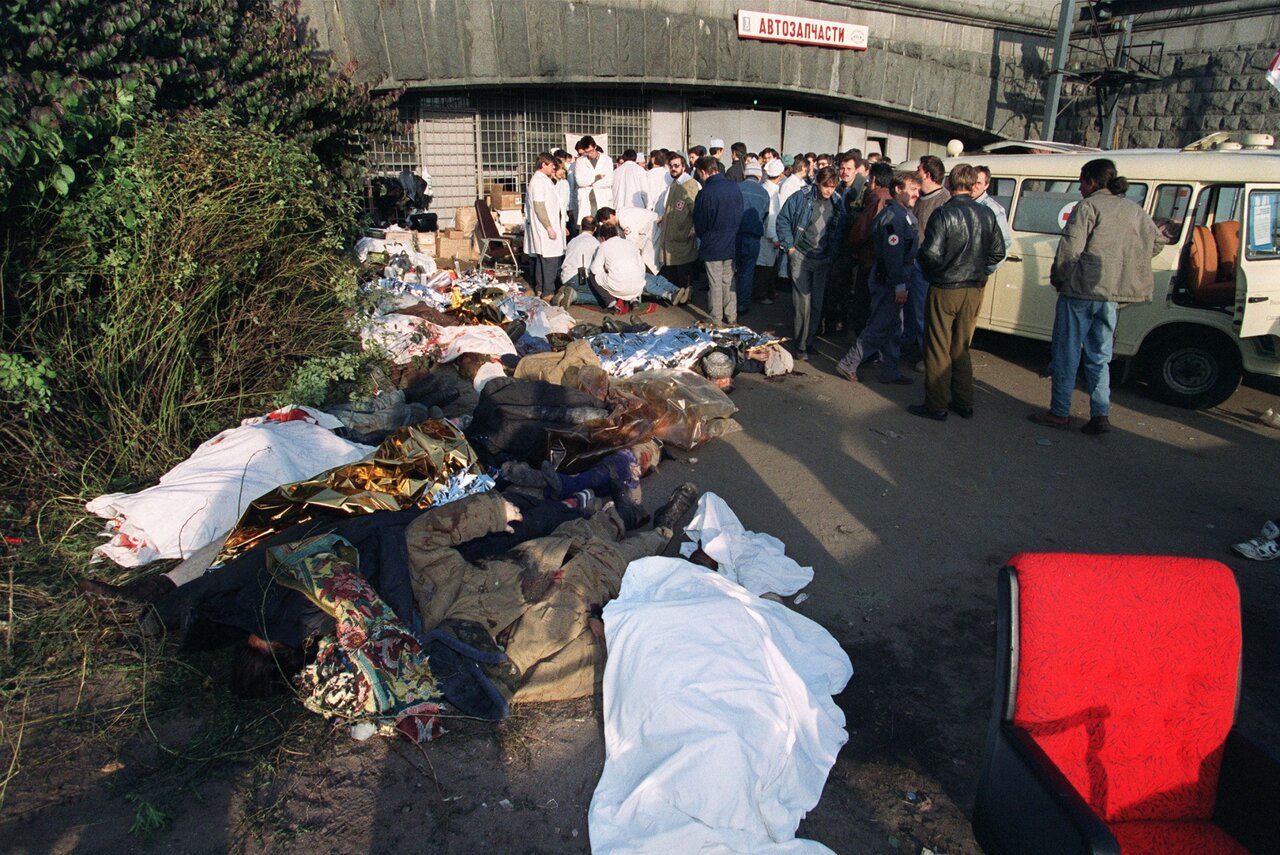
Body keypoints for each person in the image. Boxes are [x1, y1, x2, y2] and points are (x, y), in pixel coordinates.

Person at [1029, 158, 1163, 434]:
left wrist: (1059, 279)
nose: (1079, 187)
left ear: (1091, 181)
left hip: (1080, 291)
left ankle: (1060, 412)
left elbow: (1070, 249)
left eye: (1081, 181)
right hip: (1110, 295)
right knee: (1099, 356)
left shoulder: (1088, 206)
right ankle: (1100, 413)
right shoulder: (1133, 209)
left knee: (1067, 353)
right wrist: (1125, 261)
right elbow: (1158, 241)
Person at [907, 164, 1005, 421]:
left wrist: (936, 273)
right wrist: (977, 269)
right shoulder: (987, 213)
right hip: (973, 287)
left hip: (946, 287)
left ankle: (936, 404)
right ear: (973, 184)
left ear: (950, 183)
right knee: (960, 346)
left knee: (938, 346)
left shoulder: (944, 213)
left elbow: (929, 253)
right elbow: (998, 252)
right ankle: (964, 401)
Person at [836, 170, 921, 385]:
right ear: (898, 189)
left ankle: (889, 370)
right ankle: (849, 363)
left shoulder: (903, 215)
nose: (916, 194)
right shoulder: (894, 217)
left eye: (918, 190)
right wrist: (899, 285)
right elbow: (893, 256)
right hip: (890, 280)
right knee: (880, 325)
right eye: (912, 190)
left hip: (897, 277)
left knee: (894, 327)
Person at [776, 166, 844, 359]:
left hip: (823, 259)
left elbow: (839, 231)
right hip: (801, 256)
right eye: (825, 186)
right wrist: (790, 248)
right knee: (802, 304)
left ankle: (809, 340)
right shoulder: (802, 197)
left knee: (816, 303)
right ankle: (801, 345)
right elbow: (783, 220)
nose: (829, 190)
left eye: (832, 186)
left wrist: (832, 255)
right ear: (818, 183)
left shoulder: (838, 202)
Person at [902, 155, 951, 361]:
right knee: (909, 311)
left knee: (923, 313)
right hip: (911, 262)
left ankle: (925, 355)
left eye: (919, 170)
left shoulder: (944, 201)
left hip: (926, 266)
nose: (917, 173)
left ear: (928, 175)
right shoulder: (917, 197)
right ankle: (907, 347)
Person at [595, 206, 688, 306]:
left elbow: (632, 241)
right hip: (651, 232)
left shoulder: (624, 220)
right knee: (648, 273)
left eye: (605, 221)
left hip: (653, 232)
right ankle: (676, 290)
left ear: (611, 215)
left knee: (648, 272)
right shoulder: (623, 213)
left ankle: (669, 293)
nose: (606, 224)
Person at [691, 155, 743, 326]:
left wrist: (704, 235)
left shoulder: (705, 193)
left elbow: (700, 223)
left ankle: (716, 318)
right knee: (729, 280)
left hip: (712, 243)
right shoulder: (734, 187)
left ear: (703, 172)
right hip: (731, 241)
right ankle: (731, 315)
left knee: (715, 283)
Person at [524, 153, 566, 300]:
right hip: (545, 228)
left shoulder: (544, 180)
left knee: (544, 260)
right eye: (551, 165)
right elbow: (539, 206)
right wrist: (548, 227)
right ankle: (548, 292)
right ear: (543, 165)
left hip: (549, 226)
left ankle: (541, 289)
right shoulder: (538, 181)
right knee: (550, 261)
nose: (553, 168)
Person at [659, 154, 700, 292]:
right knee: (673, 270)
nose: (673, 169)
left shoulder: (690, 184)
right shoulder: (675, 183)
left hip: (683, 235)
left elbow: (696, 210)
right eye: (671, 166)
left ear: (684, 166)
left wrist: (694, 227)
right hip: (672, 235)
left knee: (684, 270)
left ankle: (686, 297)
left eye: (676, 166)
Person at [735, 162, 770, 315]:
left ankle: (730, 302)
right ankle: (743, 304)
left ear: (744, 175)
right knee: (748, 270)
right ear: (759, 176)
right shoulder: (764, 193)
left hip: (735, 235)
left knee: (731, 269)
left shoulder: (736, 188)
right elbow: (764, 216)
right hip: (753, 237)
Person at [754, 158, 786, 306]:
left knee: (762, 265)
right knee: (765, 267)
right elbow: (772, 217)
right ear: (780, 175)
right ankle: (761, 294)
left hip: (759, 233)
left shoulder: (762, 187)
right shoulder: (772, 193)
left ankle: (765, 292)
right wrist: (774, 238)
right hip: (767, 236)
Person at [972, 166, 1012, 271]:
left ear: (986, 185)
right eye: (972, 182)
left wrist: (984, 271)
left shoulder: (993, 209)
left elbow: (1005, 244)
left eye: (978, 183)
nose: (973, 186)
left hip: (976, 274)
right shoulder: (964, 204)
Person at [558, 215, 601, 307]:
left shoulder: (572, 240)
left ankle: (565, 293)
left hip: (565, 276)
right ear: (595, 229)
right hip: (579, 278)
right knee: (602, 296)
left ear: (581, 227)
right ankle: (575, 296)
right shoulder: (595, 243)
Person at [573, 135, 613, 216]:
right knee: (587, 224)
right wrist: (596, 178)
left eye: (591, 151)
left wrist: (589, 183)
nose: (589, 154)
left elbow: (609, 181)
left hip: (603, 198)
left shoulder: (607, 160)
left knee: (604, 224)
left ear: (595, 147)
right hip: (586, 199)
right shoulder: (580, 161)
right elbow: (580, 182)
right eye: (586, 152)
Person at [646, 149, 671, 215]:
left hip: (651, 209)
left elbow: (647, 194)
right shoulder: (669, 174)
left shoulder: (648, 174)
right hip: (666, 208)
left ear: (653, 160)